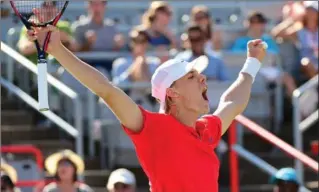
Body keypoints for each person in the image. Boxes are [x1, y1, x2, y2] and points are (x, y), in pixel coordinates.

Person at [26, 22, 266, 191]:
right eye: (193, 77)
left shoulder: (207, 130)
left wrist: (252, 63)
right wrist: (57, 50)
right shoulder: (152, 127)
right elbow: (106, 89)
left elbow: (233, 102)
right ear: (172, 93)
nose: (203, 79)